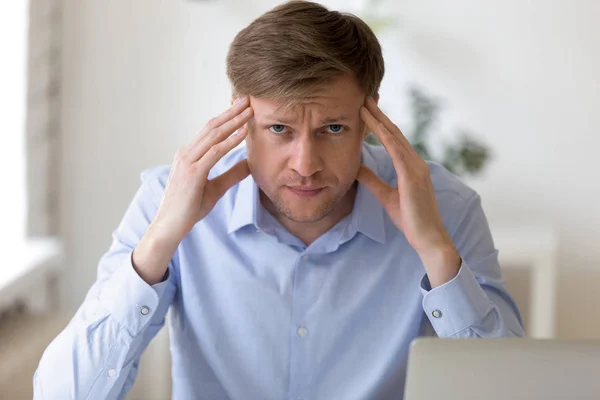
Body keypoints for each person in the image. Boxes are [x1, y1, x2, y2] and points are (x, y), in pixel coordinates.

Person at [34, 1, 524, 399]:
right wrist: (160, 242)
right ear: (238, 118)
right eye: (279, 129)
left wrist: (437, 254)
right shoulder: (168, 201)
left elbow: (514, 392)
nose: (305, 163)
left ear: (372, 119)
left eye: (333, 128)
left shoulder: (447, 207)